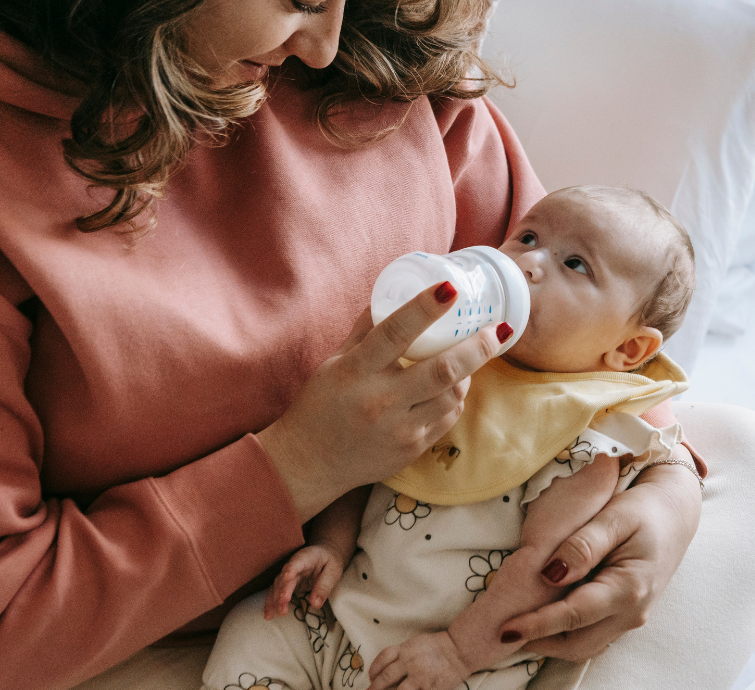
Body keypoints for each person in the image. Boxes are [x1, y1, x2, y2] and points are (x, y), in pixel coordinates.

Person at [0, 2, 706, 688]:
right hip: (157, 633)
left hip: (435, 606)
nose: (326, 47)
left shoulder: (387, 55)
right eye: (301, 0)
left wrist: (669, 492)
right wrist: (299, 465)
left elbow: (593, 325)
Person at [202, 185, 700, 690]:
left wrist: (459, 651)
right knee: (254, 629)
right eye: (527, 237)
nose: (529, 263)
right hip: (336, 614)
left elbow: (545, 567)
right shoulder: (444, 359)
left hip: (443, 659)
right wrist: (332, 544)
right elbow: (359, 456)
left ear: (628, 348)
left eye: (575, 264)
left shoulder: (583, 438)